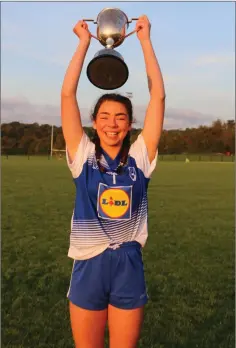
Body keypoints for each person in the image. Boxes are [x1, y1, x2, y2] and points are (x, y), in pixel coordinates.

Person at [61, 14, 165, 348]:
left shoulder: (139, 158)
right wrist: (82, 44)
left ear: (130, 123)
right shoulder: (83, 158)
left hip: (128, 265)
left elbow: (159, 98)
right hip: (88, 265)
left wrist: (145, 42)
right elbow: (67, 97)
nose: (112, 123)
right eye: (104, 116)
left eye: (120, 117)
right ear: (94, 121)